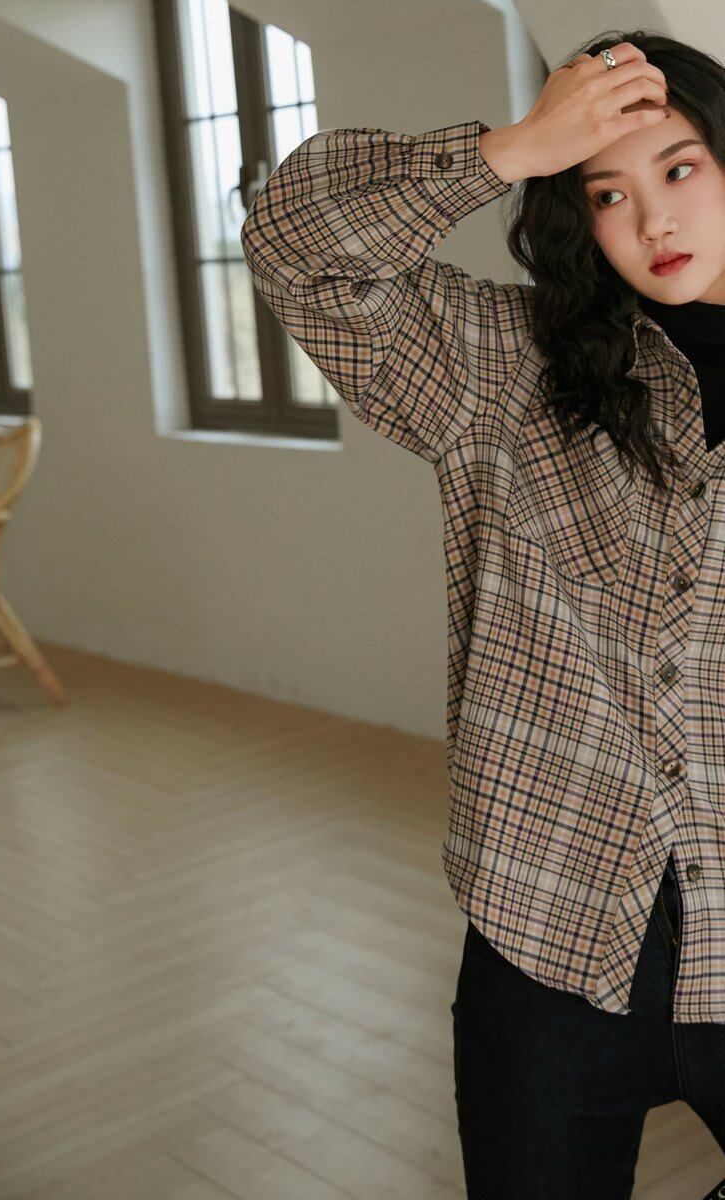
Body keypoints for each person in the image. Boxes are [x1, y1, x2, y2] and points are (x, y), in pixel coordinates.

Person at [241, 27, 725, 1199]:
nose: (652, 220)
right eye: (605, 192)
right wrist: (510, 149)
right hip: (549, 926)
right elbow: (294, 248)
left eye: (679, 168)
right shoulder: (499, 366)